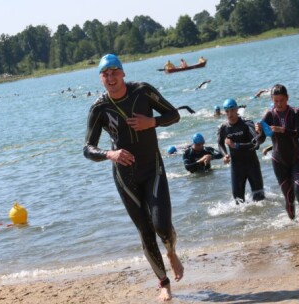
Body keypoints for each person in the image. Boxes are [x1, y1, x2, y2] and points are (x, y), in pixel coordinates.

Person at [83, 54, 183, 301]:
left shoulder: (143, 91)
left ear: (123, 73)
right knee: (145, 230)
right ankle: (163, 283)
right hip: (125, 176)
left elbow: (174, 115)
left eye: (114, 71)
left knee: (161, 225)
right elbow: (87, 148)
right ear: (101, 79)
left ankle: (171, 250)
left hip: (153, 169)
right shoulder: (99, 108)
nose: (111, 77)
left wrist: (152, 122)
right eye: (105, 74)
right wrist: (110, 153)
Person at [257, 84, 299, 220]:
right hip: (279, 161)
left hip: (297, 157)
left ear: (287, 98)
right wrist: (259, 131)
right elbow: (261, 139)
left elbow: (297, 134)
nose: (279, 104)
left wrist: (281, 130)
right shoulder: (269, 115)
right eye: (275, 101)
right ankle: (294, 225)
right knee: (288, 196)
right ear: (271, 99)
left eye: (281, 100)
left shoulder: (296, 112)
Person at [217, 98, 265, 204]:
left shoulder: (246, 124)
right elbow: (220, 144)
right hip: (237, 167)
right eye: (227, 111)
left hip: (252, 165)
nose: (230, 114)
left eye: (232, 110)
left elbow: (255, 144)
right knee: (238, 203)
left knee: (260, 200)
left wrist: (236, 146)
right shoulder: (224, 128)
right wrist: (225, 155)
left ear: (237, 109)